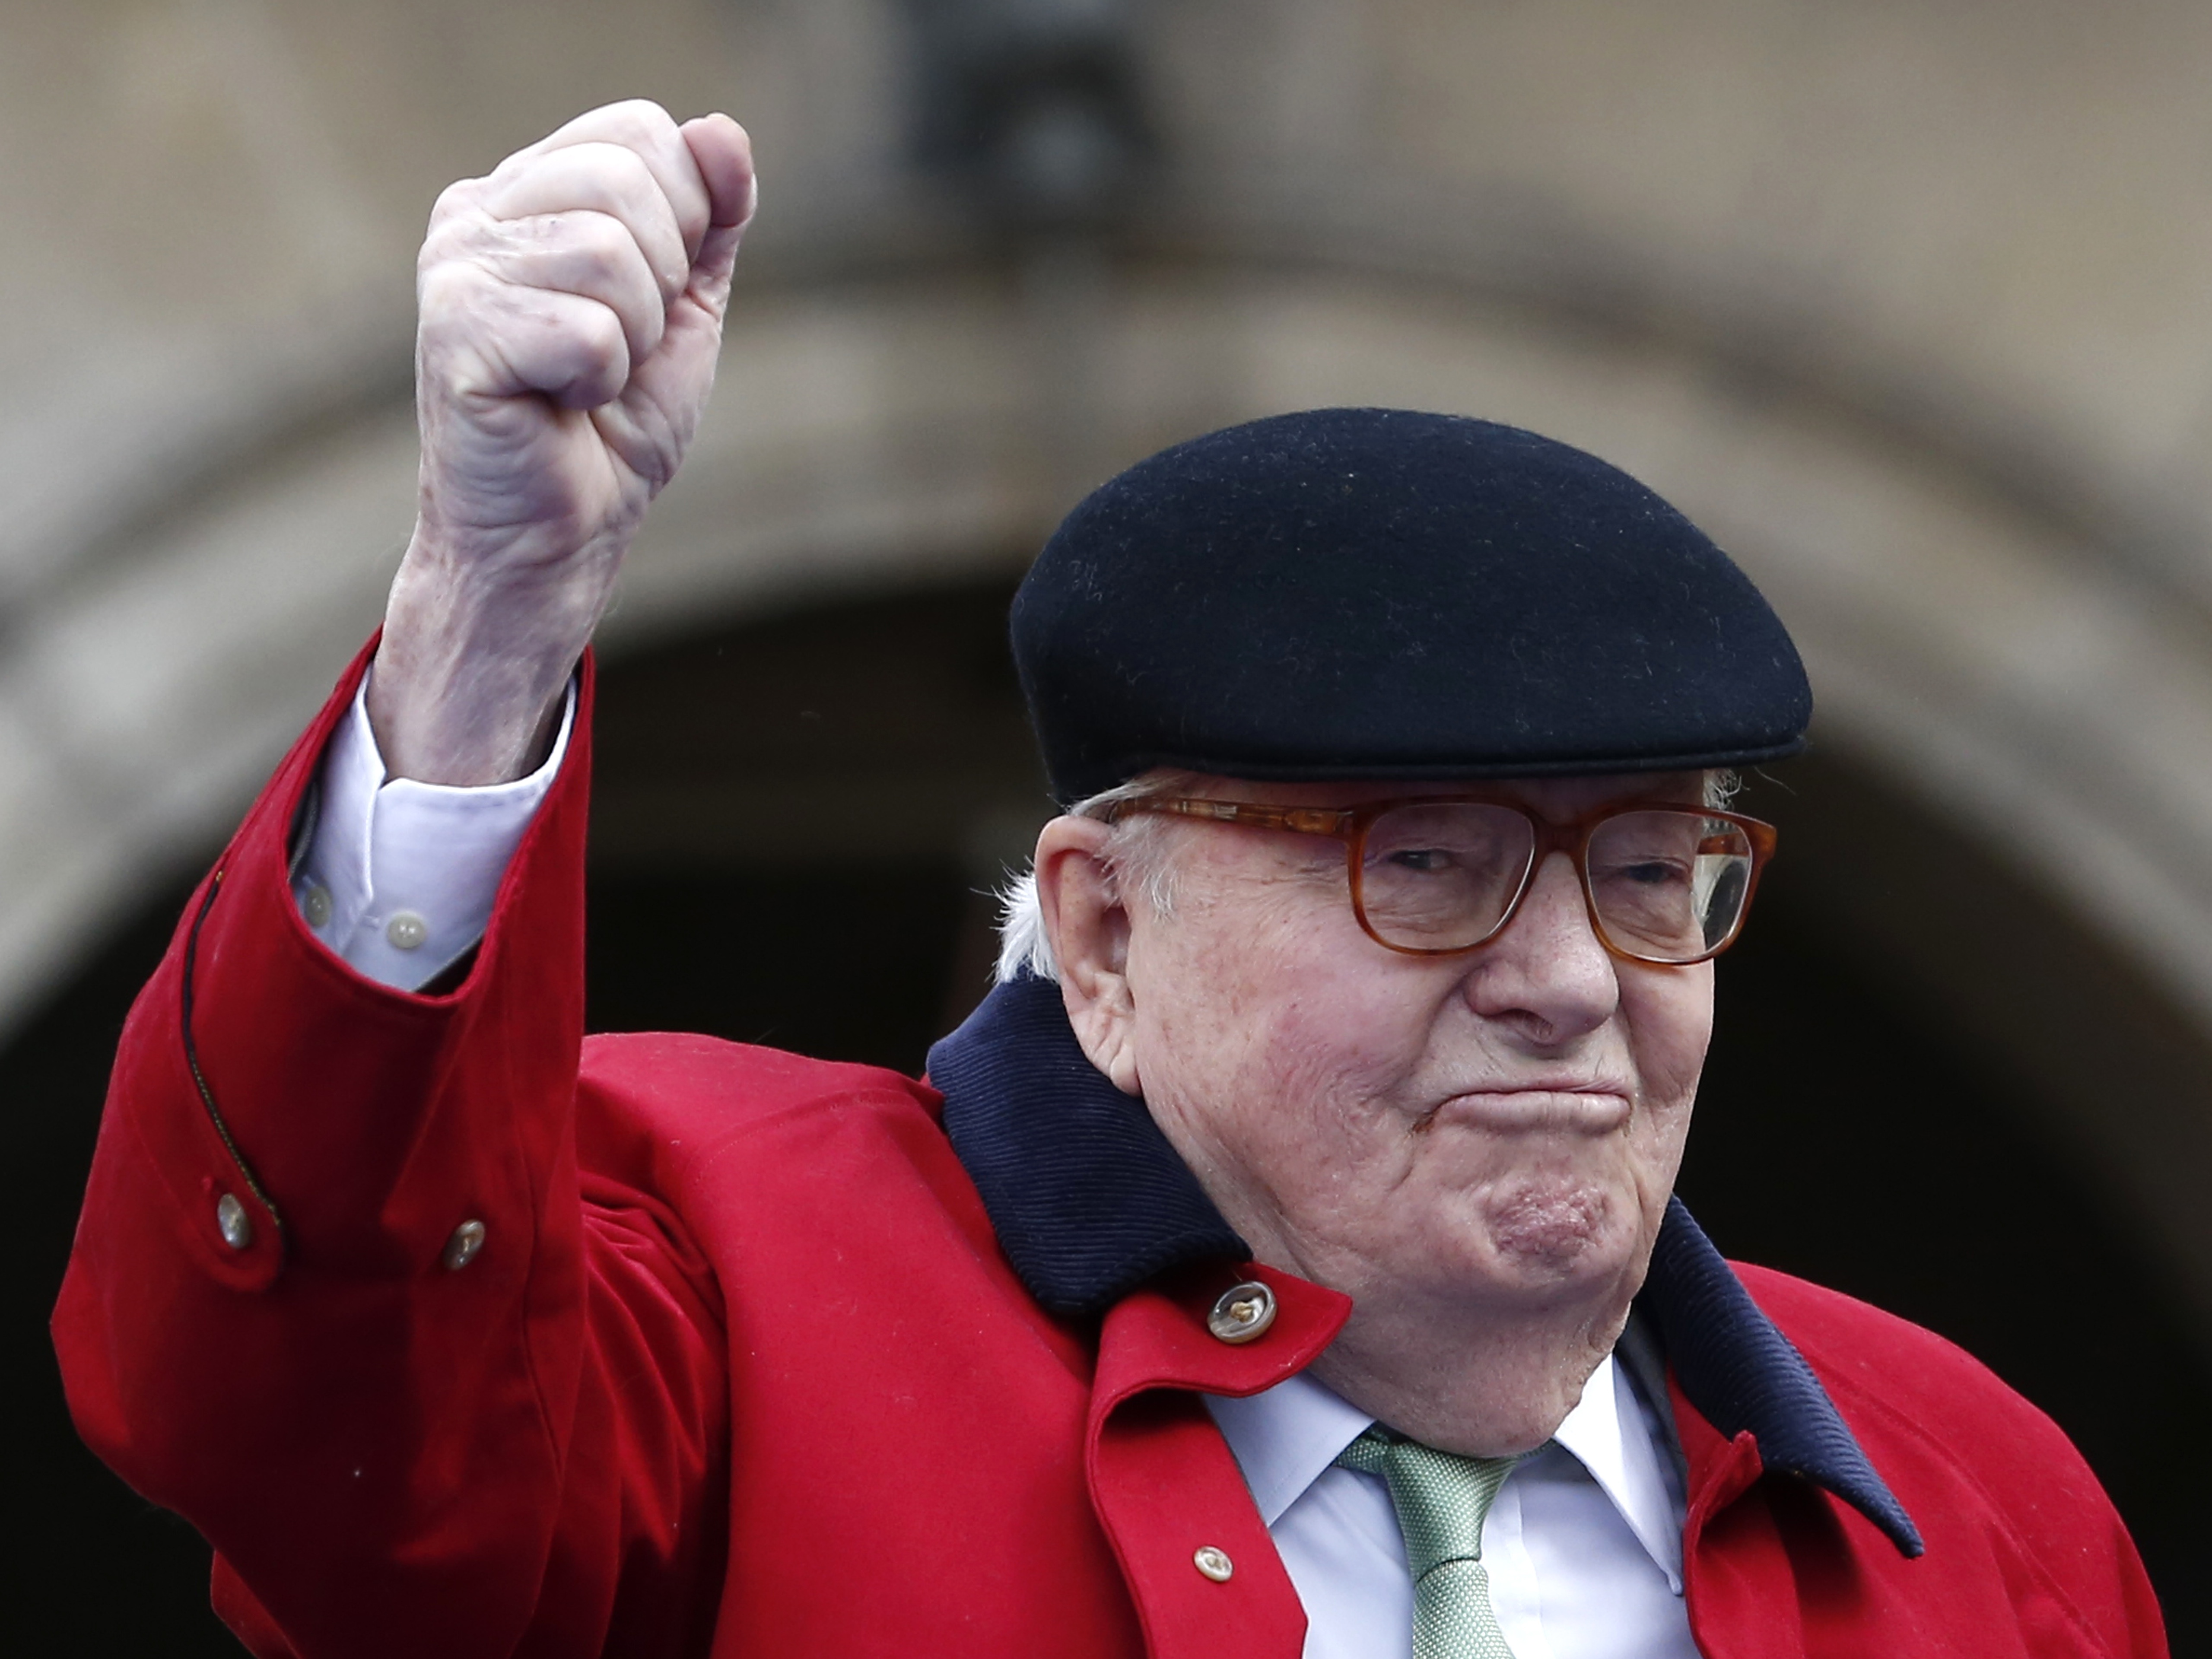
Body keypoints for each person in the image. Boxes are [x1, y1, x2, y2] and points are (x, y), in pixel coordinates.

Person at [53, 99, 2165, 1659]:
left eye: (1645, 871)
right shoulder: (720, 1294)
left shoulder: (1974, 1499)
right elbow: (309, 1401)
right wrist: (488, 604)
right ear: (1099, 933)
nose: (1564, 975)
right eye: (1424, 867)